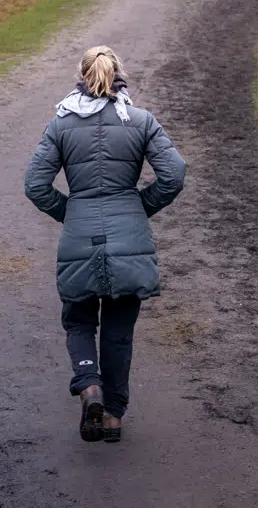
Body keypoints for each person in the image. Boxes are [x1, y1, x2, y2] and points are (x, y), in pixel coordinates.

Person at [24, 46, 186, 443]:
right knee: (118, 333)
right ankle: (112, 416)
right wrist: (137, 209)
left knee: (79, 320)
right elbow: (174, 174)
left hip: (80, 238)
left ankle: (88, 383)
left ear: (82, 75)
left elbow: (35, 185)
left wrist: (72, 215)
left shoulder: (61, 125)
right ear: (119, 76)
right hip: (129, 237)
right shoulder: (142, 121)